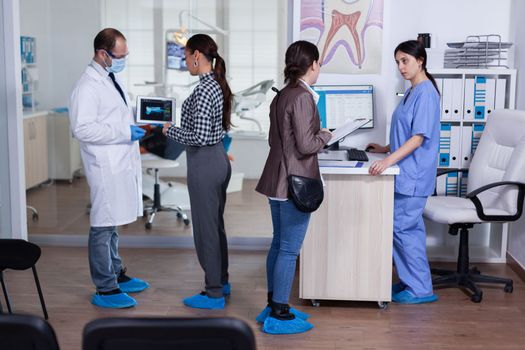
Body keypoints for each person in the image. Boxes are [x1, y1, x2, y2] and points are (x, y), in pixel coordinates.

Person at [255, 41, 332, 334]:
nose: (319, 67)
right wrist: (326, 135)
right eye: (319, 63)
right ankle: (279, 313)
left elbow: (278, 142)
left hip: (277, 180)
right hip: (294, 182)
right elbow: (305, 144)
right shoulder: (302, 97)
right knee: (289, 249)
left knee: (278, 244)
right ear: (312, 64)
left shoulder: (282, 95)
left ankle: (273, 304)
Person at [69, 28, 149, 309]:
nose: (123, 60)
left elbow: (115, 114)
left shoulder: (110, 77)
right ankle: (105, 287)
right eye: (119, 56)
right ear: (102, 54)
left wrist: (132, 125)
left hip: (119, 160)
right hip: (104, 166)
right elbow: (82, 128)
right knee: (102, 225)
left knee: (112, 222)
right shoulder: (87, 86)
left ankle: (117, 273)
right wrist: (123, 131)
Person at [366, 40, 441, 304]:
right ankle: (412, 282)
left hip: (414, 175)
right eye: (397, 62)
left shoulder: (426, 93)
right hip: (405, 171)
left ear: (420, 60)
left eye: (405, 61)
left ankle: (420, 289)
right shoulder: (412, 91)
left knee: (403, 229)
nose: (400, 67)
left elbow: (418, 138)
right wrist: (384, 148)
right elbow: (407, 132)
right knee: (403, 229)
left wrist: (387, 161)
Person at [162, 34, 232, 310]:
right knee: (215, 227)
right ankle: (221, 282)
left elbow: (200, 136)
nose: (184, 62)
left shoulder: (204, 90)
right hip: (216, 159)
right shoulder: (215, 84)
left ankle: (214, 293)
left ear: (196, 56)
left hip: (205, 163)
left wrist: (171, 130)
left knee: (205, 232)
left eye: (185, 56)